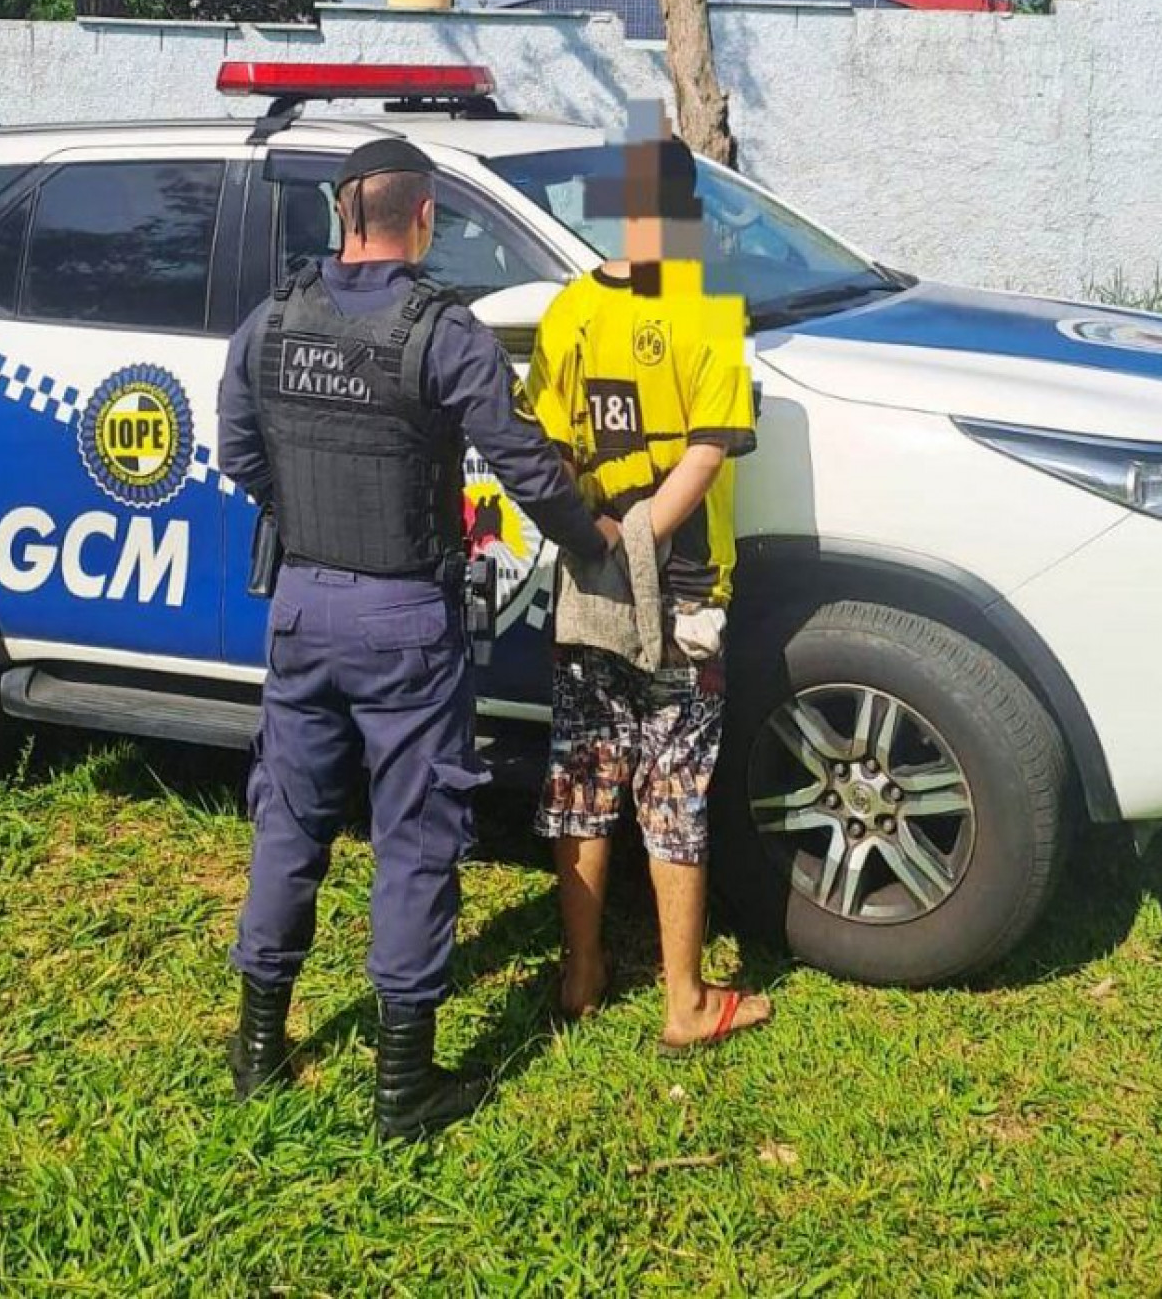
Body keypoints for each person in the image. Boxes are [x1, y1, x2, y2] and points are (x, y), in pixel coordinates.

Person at [216, 138, 613, 1141]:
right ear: (424, 217)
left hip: (301, 606)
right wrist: (593, 539)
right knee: (414, 838)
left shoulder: (270, 321)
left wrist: (301, 524)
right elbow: (524, 462)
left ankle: (257, 1048)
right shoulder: (444, 330)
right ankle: (404, 1087)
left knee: (290, 821)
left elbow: (235, 450)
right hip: (403, 619)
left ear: (342, 215)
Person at [526, 132, 772, 1053]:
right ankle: (683, 1000)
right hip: (684, 588)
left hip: (587, 576)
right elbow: (706, 454)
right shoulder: (709, 312)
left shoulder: (569, 312)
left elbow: (545, 452)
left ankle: (581, 974)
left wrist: (592, 542)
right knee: (673, 787)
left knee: (584, 775)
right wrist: (641, 545)